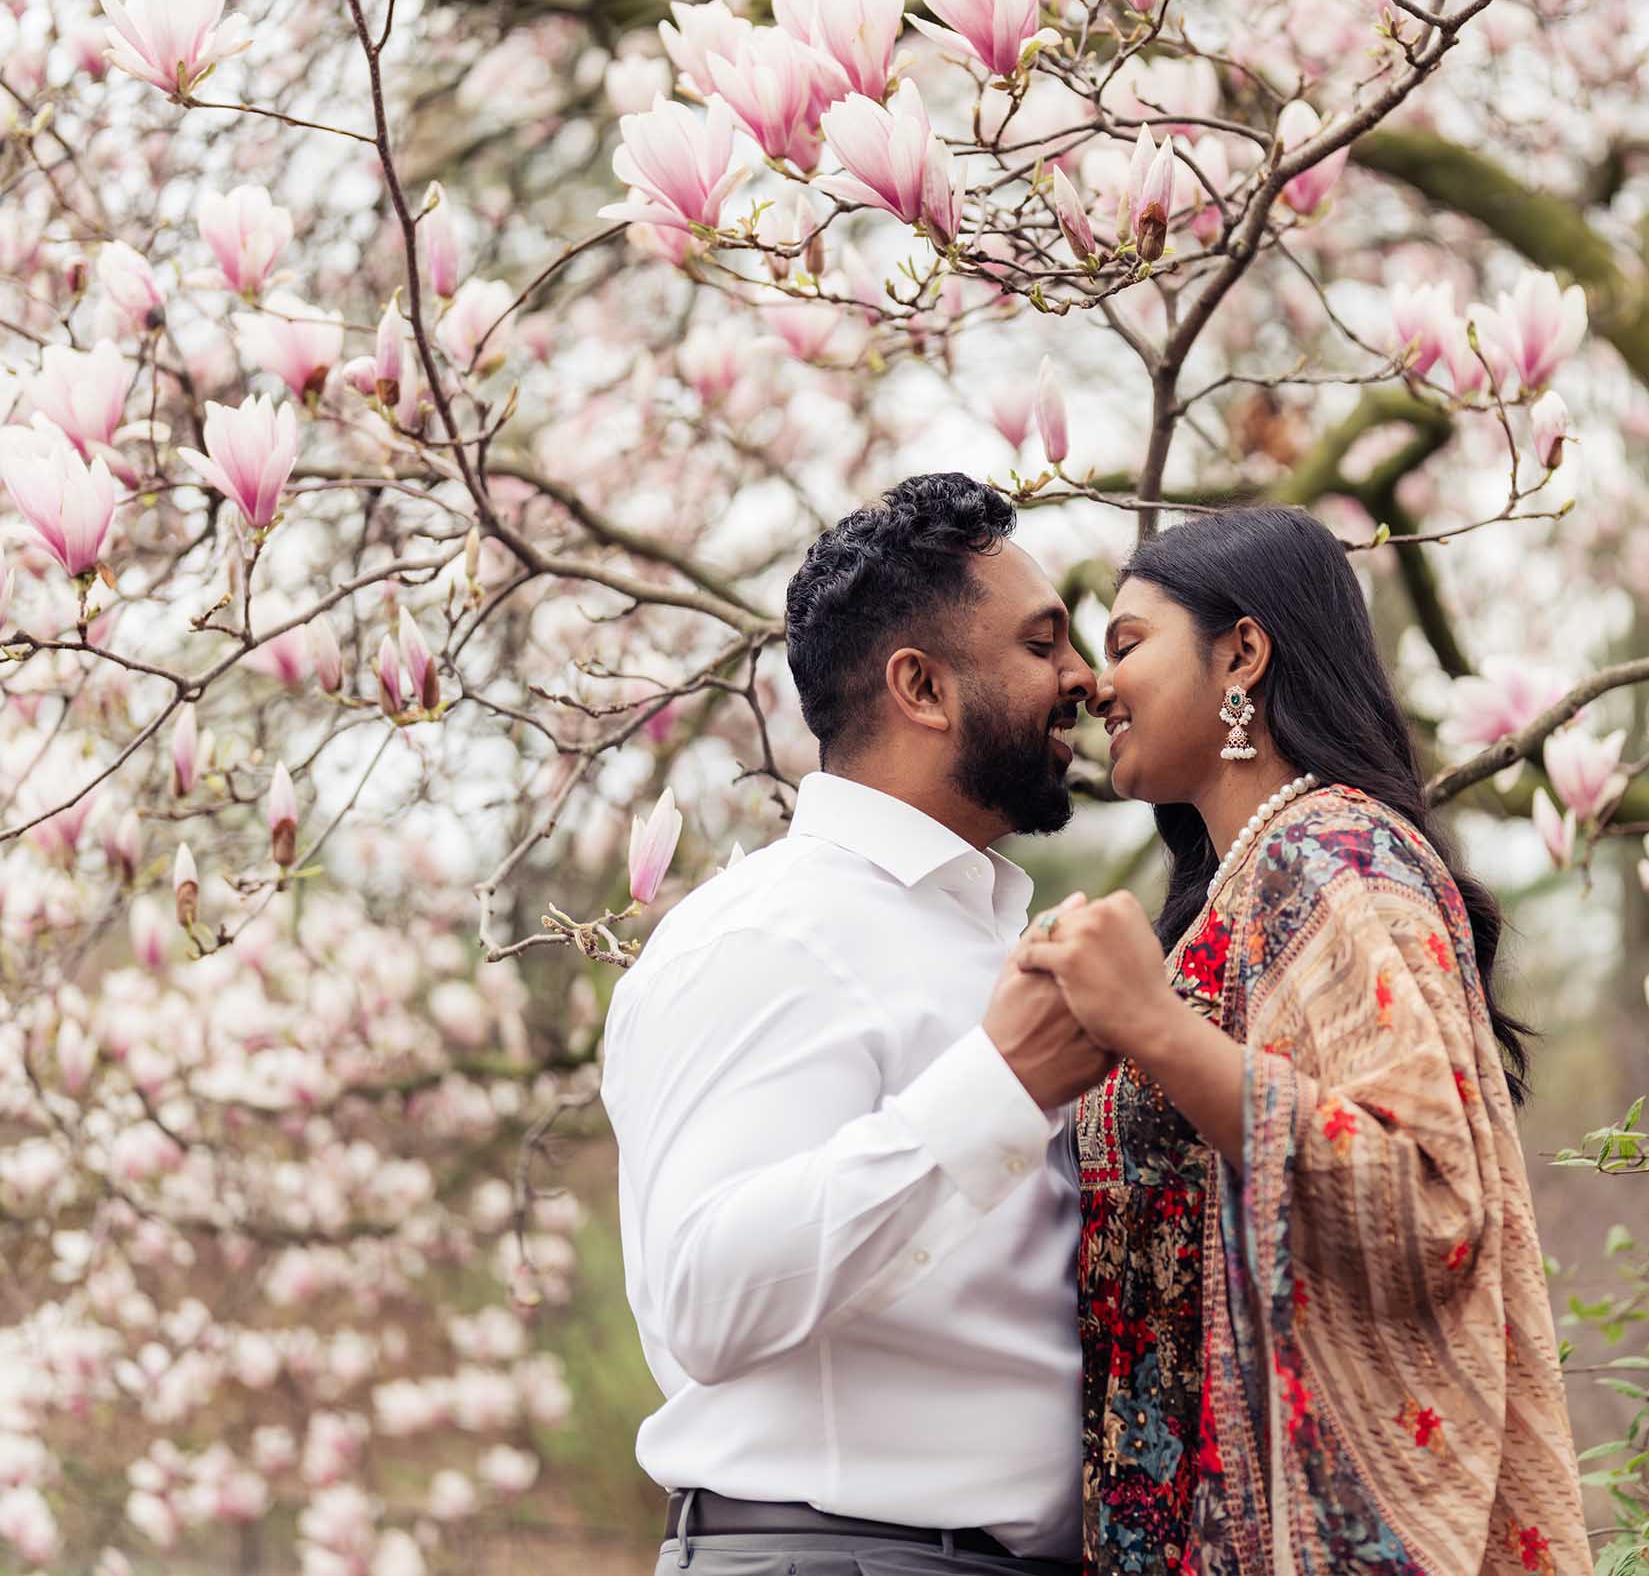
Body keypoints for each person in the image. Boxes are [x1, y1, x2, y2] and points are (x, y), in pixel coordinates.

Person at [1015, 505, 1591, 1576]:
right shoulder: (1232, 896)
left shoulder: (1339, 860)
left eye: (1128, 644)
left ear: (1241, 651)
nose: (1095, 688)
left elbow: (1426, 1192)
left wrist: (1148, 1026)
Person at [599, 473, 1111, 1576]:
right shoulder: (766, 935)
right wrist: (998, 1090)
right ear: (921, 687)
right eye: (1041, 644)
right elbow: (704, 1294)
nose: (1084, 678)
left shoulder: (976, 937)